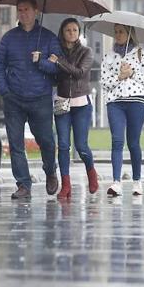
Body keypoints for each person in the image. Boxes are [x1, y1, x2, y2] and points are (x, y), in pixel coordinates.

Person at [0, 0, 62, 199]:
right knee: (16, 144)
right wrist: (4, 90)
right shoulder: (8, 38)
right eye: (19, 10)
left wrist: (41, 61)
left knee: (47, 141)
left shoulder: (49, 38)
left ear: (36, 11)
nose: (22, 13)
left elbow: (57, 69)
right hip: (14, 98)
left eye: (26, 9)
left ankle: (50, 171)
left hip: (40, 98)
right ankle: (23, 184)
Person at [101, 24, 144, 196]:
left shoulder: (141, 55)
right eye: (115, 31)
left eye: (121, 31)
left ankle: (137, 181)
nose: (117, 35)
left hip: (137, 102)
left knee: (133, 142)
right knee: (117, 141)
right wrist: (119, 76)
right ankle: (116, 182)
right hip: (115, 102)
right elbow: (104, 82)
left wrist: (131, 73)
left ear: (129, 34)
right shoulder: (108, 57)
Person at [48, 18, 98, 199]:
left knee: (81, 146)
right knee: (62, 145)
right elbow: (54, 78)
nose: (71, 33)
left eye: (75, 30)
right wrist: (47, 63)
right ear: (62, 32)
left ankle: (91, 173)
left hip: (81, 105)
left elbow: (79, 72)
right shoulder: (57, 52)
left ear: (79, 33)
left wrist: (58, 62)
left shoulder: (87, 52)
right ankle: (66, 186)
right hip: (62, 103)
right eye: (67, 30)